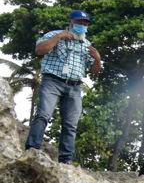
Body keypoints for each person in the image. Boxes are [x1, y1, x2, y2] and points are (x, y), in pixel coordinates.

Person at [24, 9, 103, 163]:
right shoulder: (54, 34)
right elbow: (39, 50)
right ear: (71, 22)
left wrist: (98, 59)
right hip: (52, 81)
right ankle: (32, 149)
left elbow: (94, 71)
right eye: (79, 22)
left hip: (74, 87)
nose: (83, 26)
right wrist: (59, 36)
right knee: (43, 115)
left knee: (71, 125)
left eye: (85, 23)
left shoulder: (86, 44)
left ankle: (66, 160)